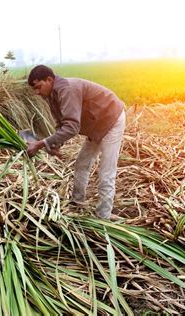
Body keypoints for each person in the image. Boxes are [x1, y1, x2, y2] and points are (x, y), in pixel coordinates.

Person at [26, 65, 126, 219]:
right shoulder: (52, 95)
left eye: (38, 87)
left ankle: (103, 217)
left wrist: (41, 144)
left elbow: (72, 127)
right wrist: (54, 145)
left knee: (106, 172)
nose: (37, 92)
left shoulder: (67, 89)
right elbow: (62, 124)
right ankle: (77, 204)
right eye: (35, 89)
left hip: (111, 119)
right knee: (81, 164)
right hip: (96, 124)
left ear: (49, 79)